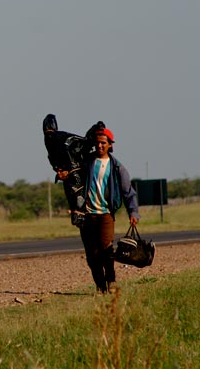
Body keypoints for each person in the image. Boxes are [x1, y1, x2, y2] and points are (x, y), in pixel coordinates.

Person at [58, 125, 139, 294]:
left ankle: (111, 280)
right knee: (91, 254)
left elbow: (128, 192)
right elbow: (74, 178)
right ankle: (100, 285)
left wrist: (133, 212)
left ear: (110, 144)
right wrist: (64, 176)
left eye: (104, 143)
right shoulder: (86, 162)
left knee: (106, 250)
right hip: (86, 215)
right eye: (98, 142)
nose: (100, 145)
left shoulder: (117, 167)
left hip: (105, 214)